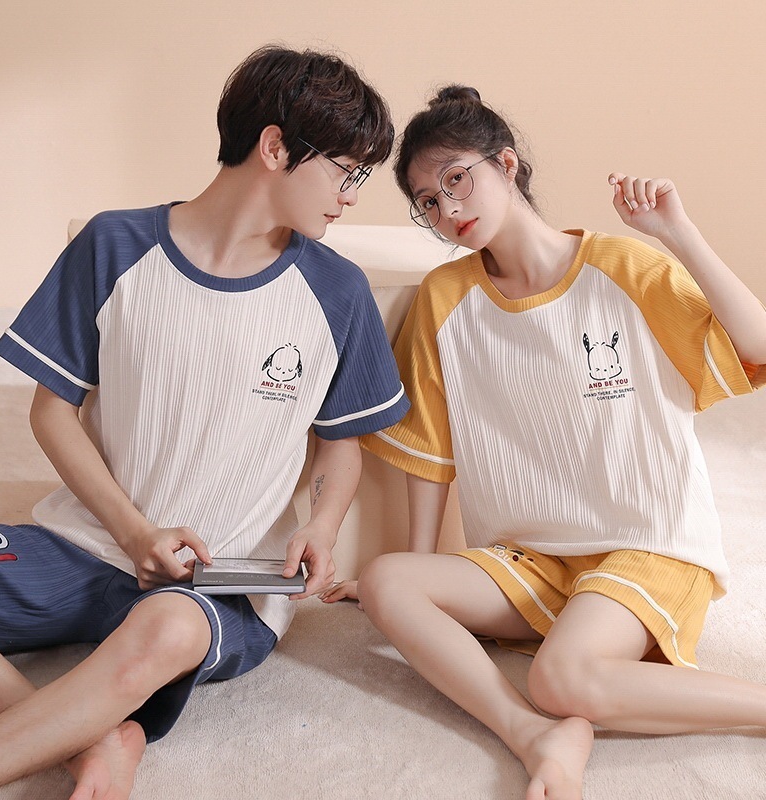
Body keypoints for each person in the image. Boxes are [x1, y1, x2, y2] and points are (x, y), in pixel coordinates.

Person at [0, 45, 408, 800]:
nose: (351, 196)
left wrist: (323, 526)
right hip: (86, 542)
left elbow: (341, 443)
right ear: (276, 147)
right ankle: (92, 739)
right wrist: (135, 533)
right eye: (345, 170)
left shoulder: (338, 291)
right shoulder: (113, 245)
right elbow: (52, 413)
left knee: (166, 630)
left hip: (221, 585)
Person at [321, 85, 766, 799]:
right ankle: (533, 734)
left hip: (647, 545)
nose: (447, 210)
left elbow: (758, 346)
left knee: (563, 678)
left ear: (507, 163)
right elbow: (431, 454)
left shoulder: (625, 267)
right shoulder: (445, 298)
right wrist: (426, 574)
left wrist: (677, 233)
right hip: (530, 560)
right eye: (427, 201)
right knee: (386, 581)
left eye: (456, 180)